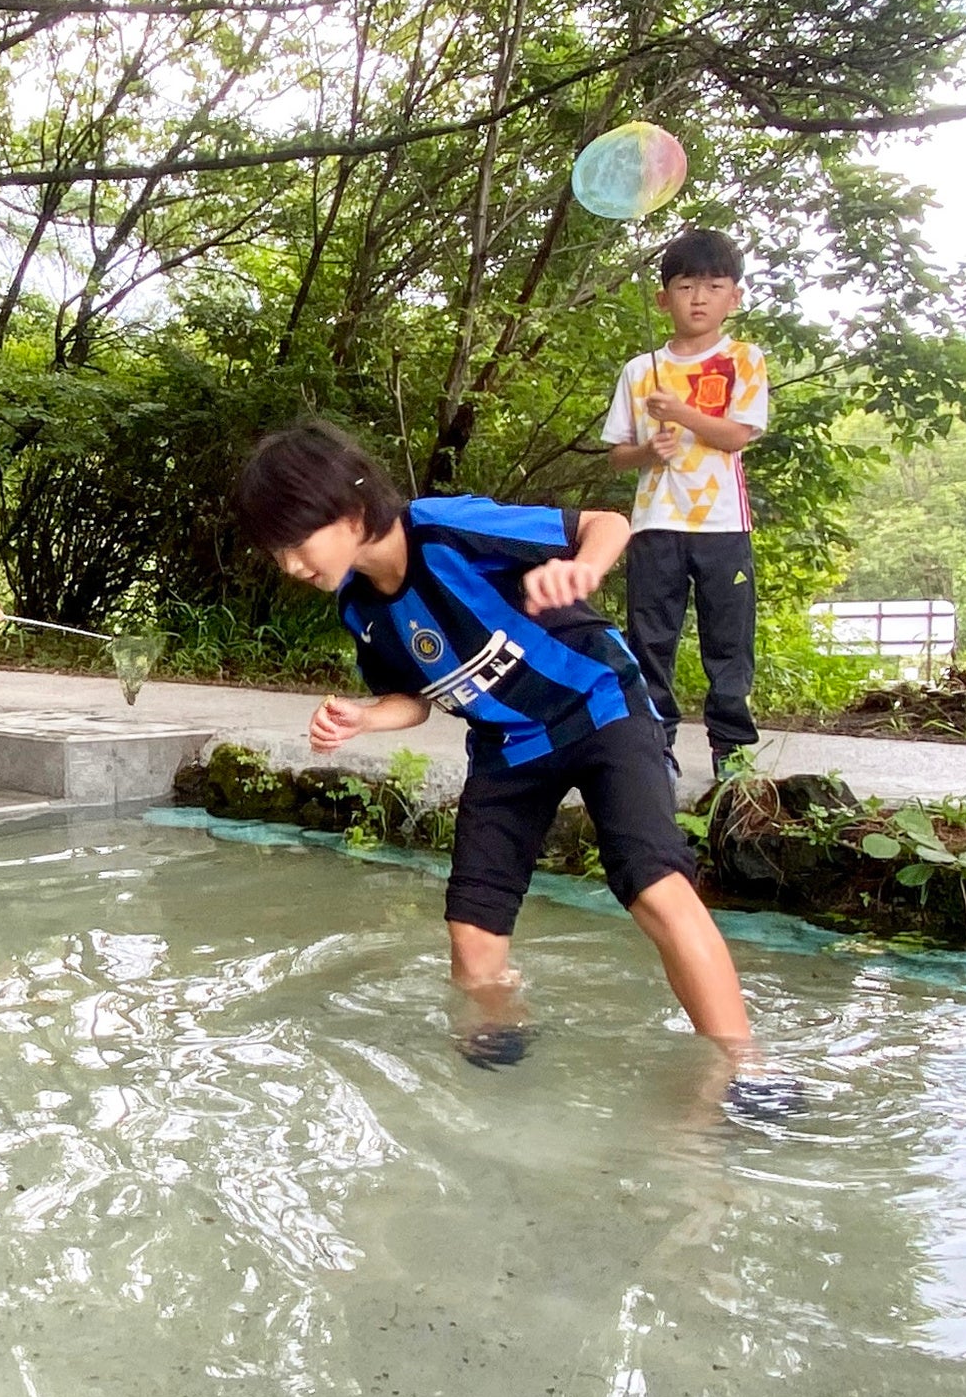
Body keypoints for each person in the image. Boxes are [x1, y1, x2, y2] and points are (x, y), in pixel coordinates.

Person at [235, 419, 778, 1104]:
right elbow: (413, 698)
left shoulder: (445, 528)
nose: (289, 566)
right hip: (509, 750)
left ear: (346, 510)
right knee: (471, 937)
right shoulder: (358, 609)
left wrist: (582, 569)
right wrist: (367, 717)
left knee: (653, 886)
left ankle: (747, 1072)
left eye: (296, 543)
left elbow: (605, 523)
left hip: (601, 707)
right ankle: (505, 1067)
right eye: (276, 552)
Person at [600, 226, 772, 784]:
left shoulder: (744, 360)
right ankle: (657, 749)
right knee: (650, 641)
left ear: (734, 297)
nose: (698, 297)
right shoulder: (637, 370)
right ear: (663, 297)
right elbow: (618, 457)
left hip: (723, 524)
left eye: (713, 285)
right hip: (655, 523)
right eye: (685, 285)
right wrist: (649, 448)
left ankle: (732, 753)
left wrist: (681, 412)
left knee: (728, 641)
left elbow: (738, 435)